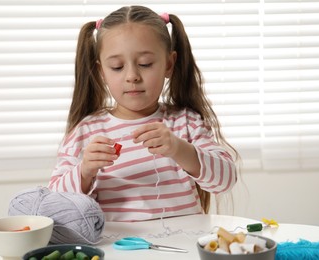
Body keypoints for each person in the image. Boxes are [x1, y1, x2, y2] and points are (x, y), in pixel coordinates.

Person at [49, 5, 239, 222]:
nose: (132, 76)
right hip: (118, 250)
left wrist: (179, 149)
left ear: (168, 64)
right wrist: (84, 172)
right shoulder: (86, 132)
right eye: (117, 67)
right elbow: (55, 204)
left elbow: (225, 180)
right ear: (101, 72)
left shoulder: (186, 123)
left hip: (183, 247)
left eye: (145, 64)